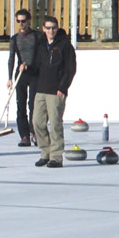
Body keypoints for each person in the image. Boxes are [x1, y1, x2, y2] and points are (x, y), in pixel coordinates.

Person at [26, 16, 76, 168]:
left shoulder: (65, 45)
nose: (51, 31)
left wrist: (63, 87)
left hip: (56, 91)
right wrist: (27, 68)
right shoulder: (41, 44)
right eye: (48, 28)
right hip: (40, 90)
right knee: (37, 123)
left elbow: (70, 69)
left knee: (55, 124)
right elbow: (36, 67)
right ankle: (45, 152)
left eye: (53, 27)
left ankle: (56, 157)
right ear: (43, 29)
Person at [7, 8, 41, 147]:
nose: (21, 24)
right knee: (20, 105)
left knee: (33, 105)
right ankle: (24, 136)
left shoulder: (37, 36)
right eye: (18, 21)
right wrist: (9, 78)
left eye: (23, 21)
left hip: (34, 74)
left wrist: (32, 66)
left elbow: (41, 56)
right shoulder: (15, 39)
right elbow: (11, 58)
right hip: (21, 74)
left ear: (29, 20)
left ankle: (34, 133)